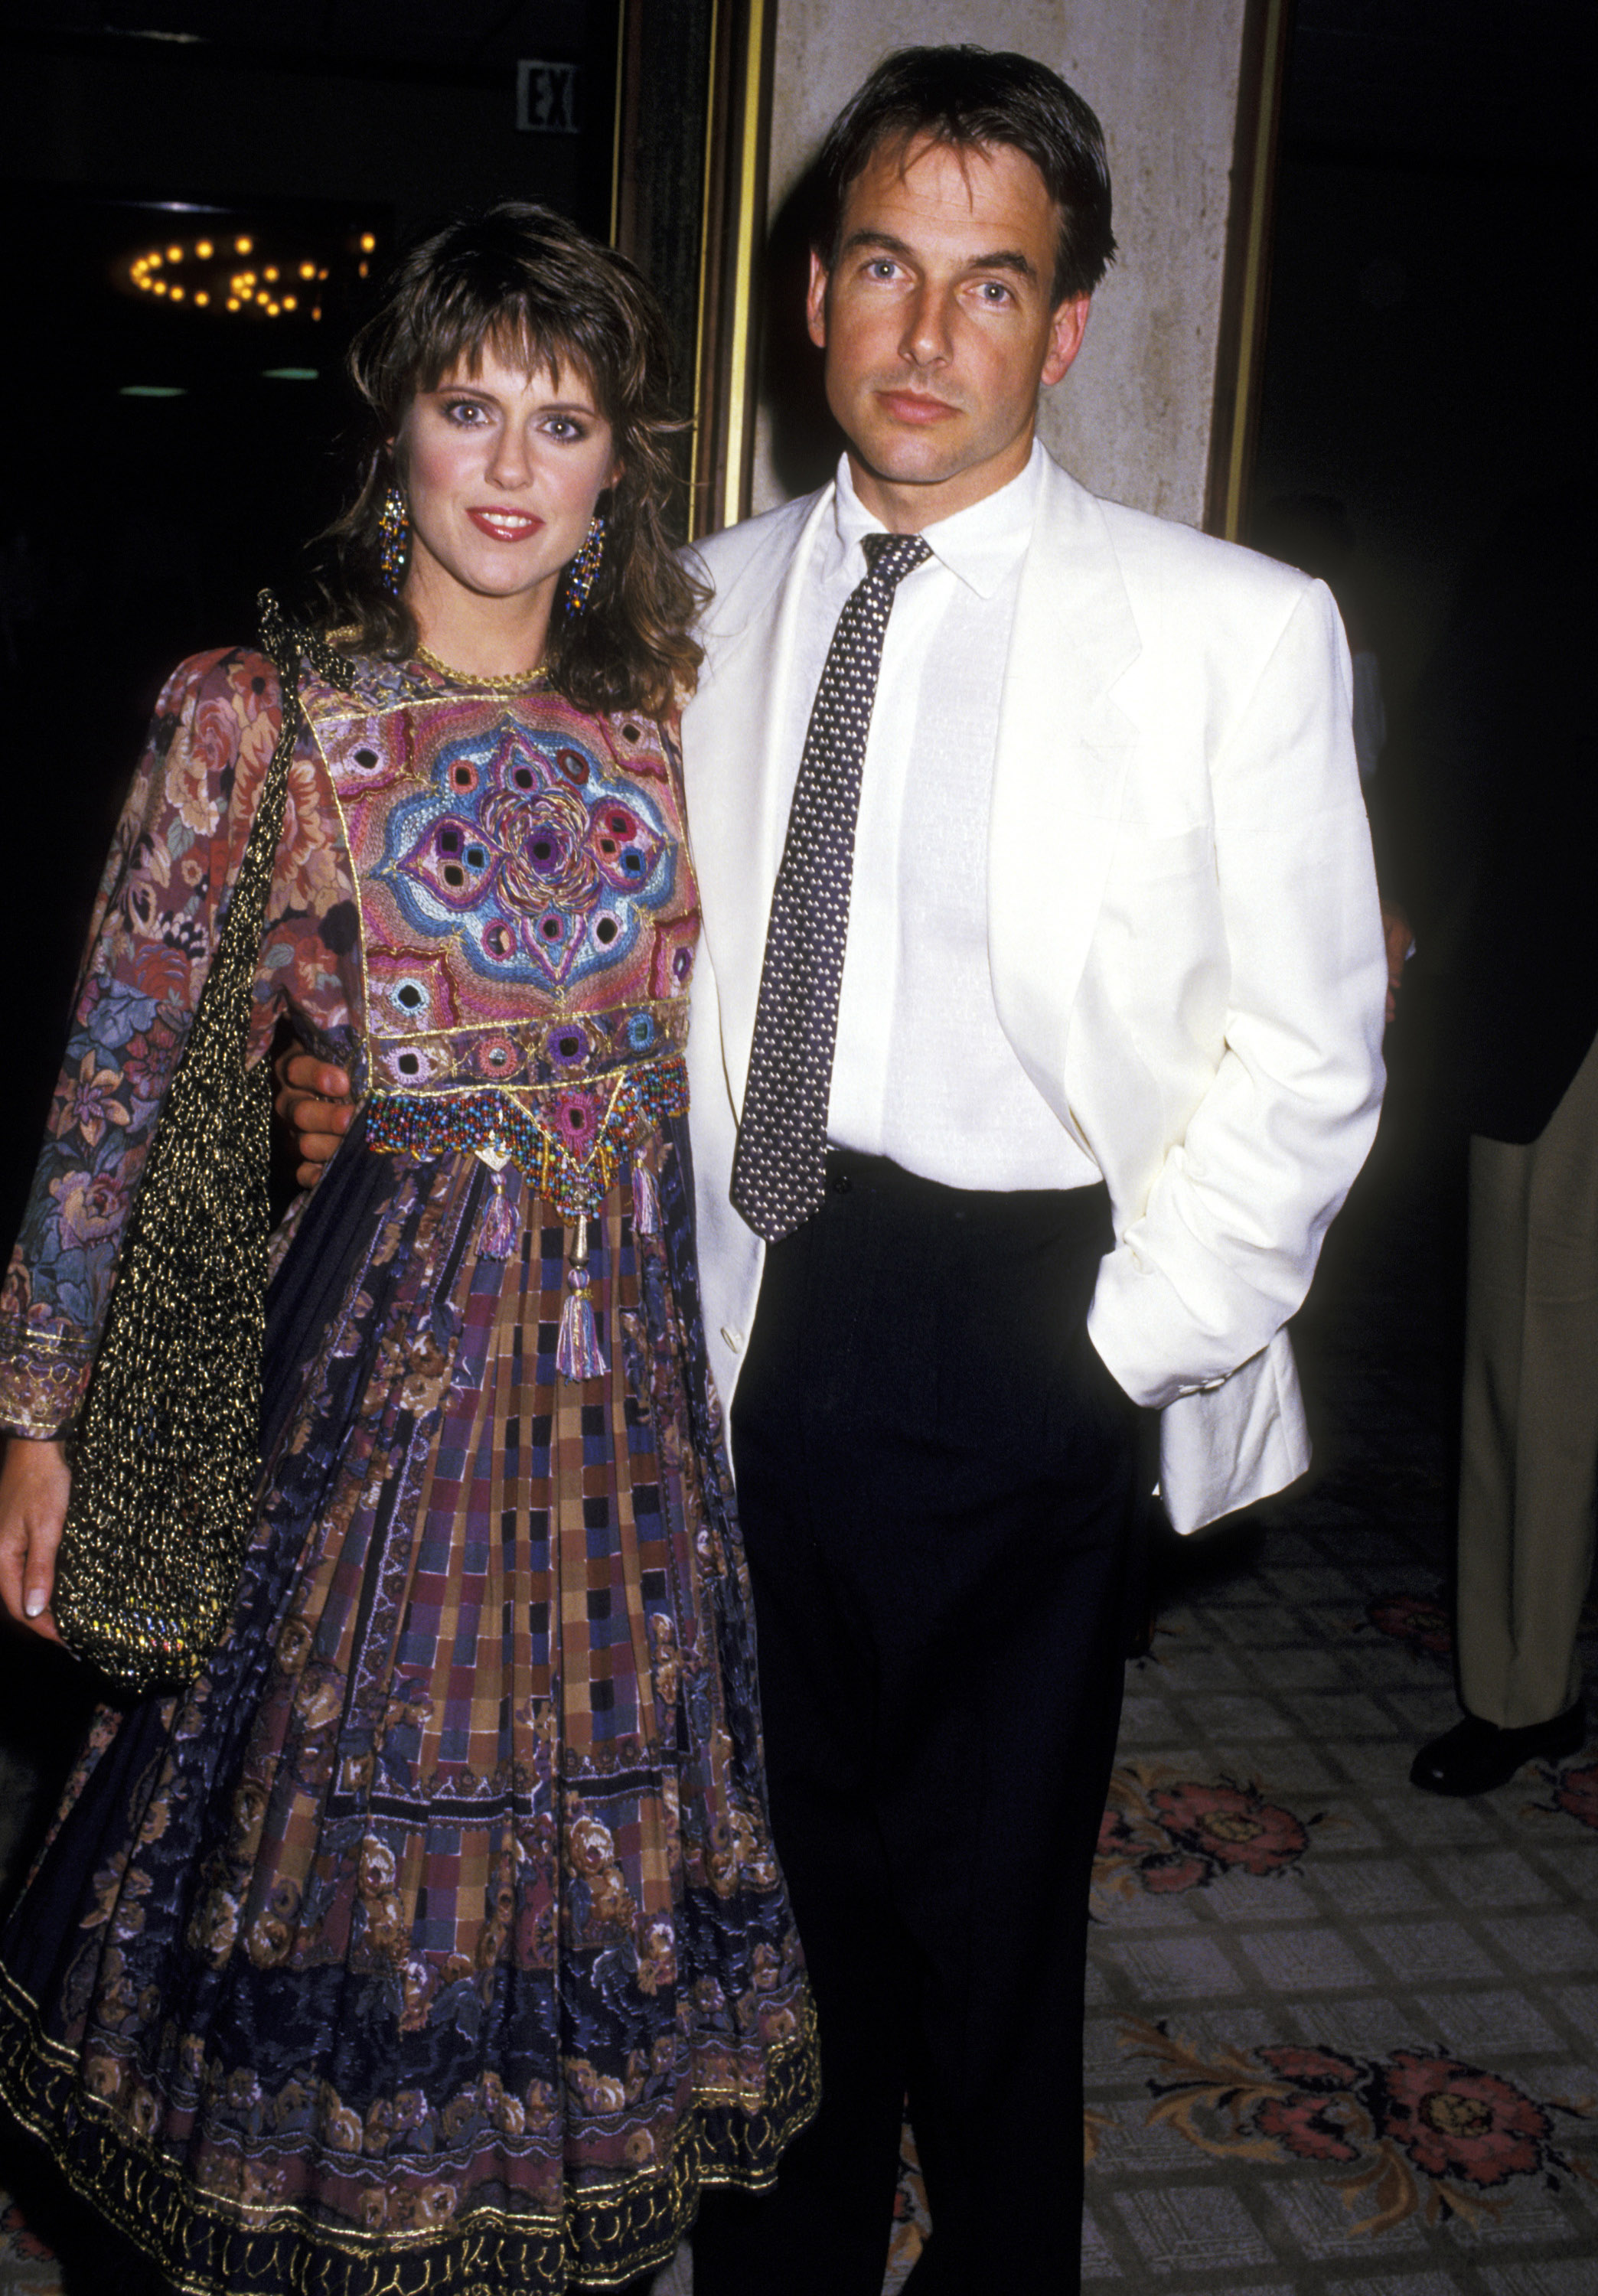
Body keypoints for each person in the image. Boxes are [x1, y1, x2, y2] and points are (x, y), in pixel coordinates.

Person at [284, 47, 1388, 2294]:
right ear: (816, 290)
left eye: (992, 287)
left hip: (1035, 1318)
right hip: (745, 1306)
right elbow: (558, 924)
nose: (926, 332)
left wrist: (1124, 1353)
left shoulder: (1234, 631)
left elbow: (1312, 1049)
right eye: (886, 265)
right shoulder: (685, 602)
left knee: (990, 1933)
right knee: (761, 1914)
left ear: (1063, 330)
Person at [0, 201, 814, 2295]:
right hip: (380, 1401)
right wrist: (40, 1412)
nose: (518, 465)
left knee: (589, 1871)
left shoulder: (666, 724)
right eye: (473, 408)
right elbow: (113, 1074)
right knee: (327, 1863)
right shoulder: (251, 716)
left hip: (627, 1411)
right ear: (399, 436)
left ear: (624, 461)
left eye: (566, 417)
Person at [1389, 488, 1597, 1797]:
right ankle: (1523, 1690)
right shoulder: (1555, 543)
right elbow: (1449, 749)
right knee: (1541, 1359)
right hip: (1571, 1007)